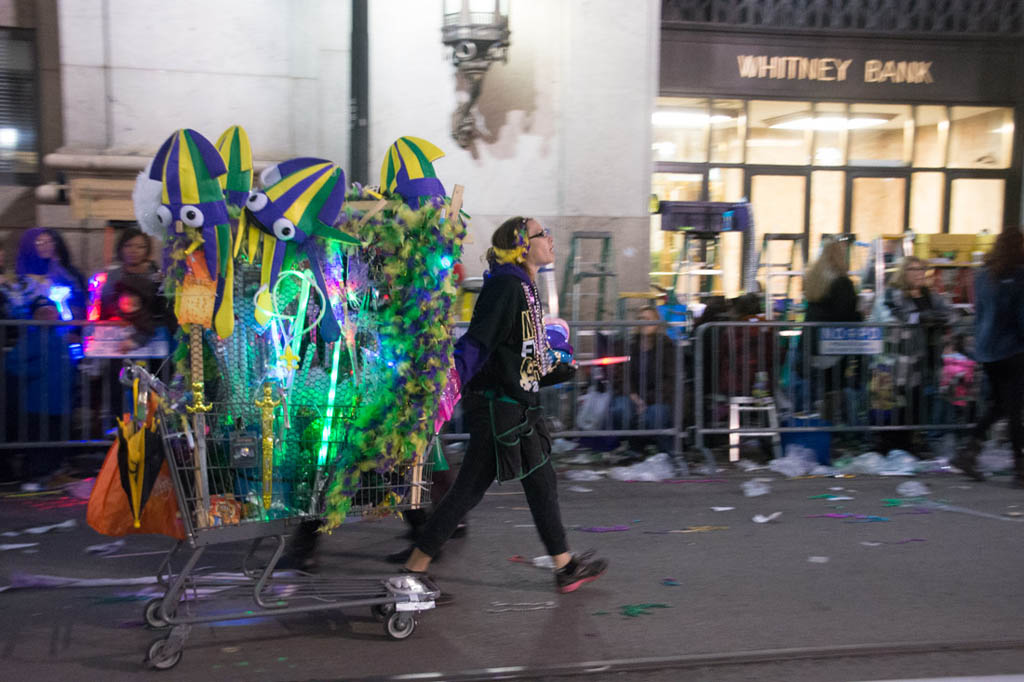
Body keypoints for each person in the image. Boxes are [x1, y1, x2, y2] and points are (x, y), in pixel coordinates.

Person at [402, 216, 608, 594]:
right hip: (501, 408)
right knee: (468, 491)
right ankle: (413, 570)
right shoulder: (506, 287)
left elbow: (520, 354)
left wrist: (558, 368)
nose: (549, 238)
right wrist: (448, 387)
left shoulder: (525, 287)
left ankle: (564, 566)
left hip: (516, 405)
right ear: (521, 245)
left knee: (539, 481)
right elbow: (478, 343)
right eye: (540, 234)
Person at [952, 229, 1024, 485]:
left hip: (987, 350)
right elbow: (1020, 317)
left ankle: (968, 451)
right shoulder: (1019, 275)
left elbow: (979, 312)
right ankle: (1019, 465)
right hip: (1012, 350)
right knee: (1013, 408)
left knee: (1000, 404)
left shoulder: (982, 276)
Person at [875, 256, 957, 453]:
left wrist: (937, 318)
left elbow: (952, 314)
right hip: (896, 361)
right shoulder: (892, 295)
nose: (920, 273)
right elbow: (895, 317)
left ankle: (910, 444)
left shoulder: (931, 296)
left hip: (924, 361)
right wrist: (922, 317)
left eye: (922, 268)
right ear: (904, 272)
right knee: (893, 405)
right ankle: (890, 445)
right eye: (914, 269)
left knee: (916, 405)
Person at [5, 296, 78, 488]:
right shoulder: (32, 340)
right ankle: (33, 477)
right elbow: (11, 363)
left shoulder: (60, 339)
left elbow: (67, 366)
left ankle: (51, 473)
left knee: (55, 440)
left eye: (51, 311)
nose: (48, 315)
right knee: (39, 442)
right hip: (38, 403)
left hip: (59, 402)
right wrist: (36, 372)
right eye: (43, 312)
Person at [801, 239, 862, 420]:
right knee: (834, 389)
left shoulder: (815, 280)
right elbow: (845, 314)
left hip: (813, 343)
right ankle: (832, 427)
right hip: (835, 343)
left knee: (821, 389)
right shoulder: (842, 282)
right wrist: (860, 314)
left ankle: (820, 423)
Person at [609, 305, 677, 456]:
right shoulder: (630, 346)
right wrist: (634, 397)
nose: (643, 322)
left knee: (652, 415)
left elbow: (670, 380)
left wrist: (646, 400)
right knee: (620, 409)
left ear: (656, 323)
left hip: (659, 398)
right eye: (640, 319)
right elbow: (622, 375)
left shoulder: (667, 347)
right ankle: (634, 447)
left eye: (648, 319)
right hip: (633, 396)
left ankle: (662, 449)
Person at [15, 228, 86, 321]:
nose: (46, 246)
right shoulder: (22, 278)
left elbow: (79, 299)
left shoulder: (67, 273)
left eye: (50, 242)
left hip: (65, 327)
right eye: (39, 242)